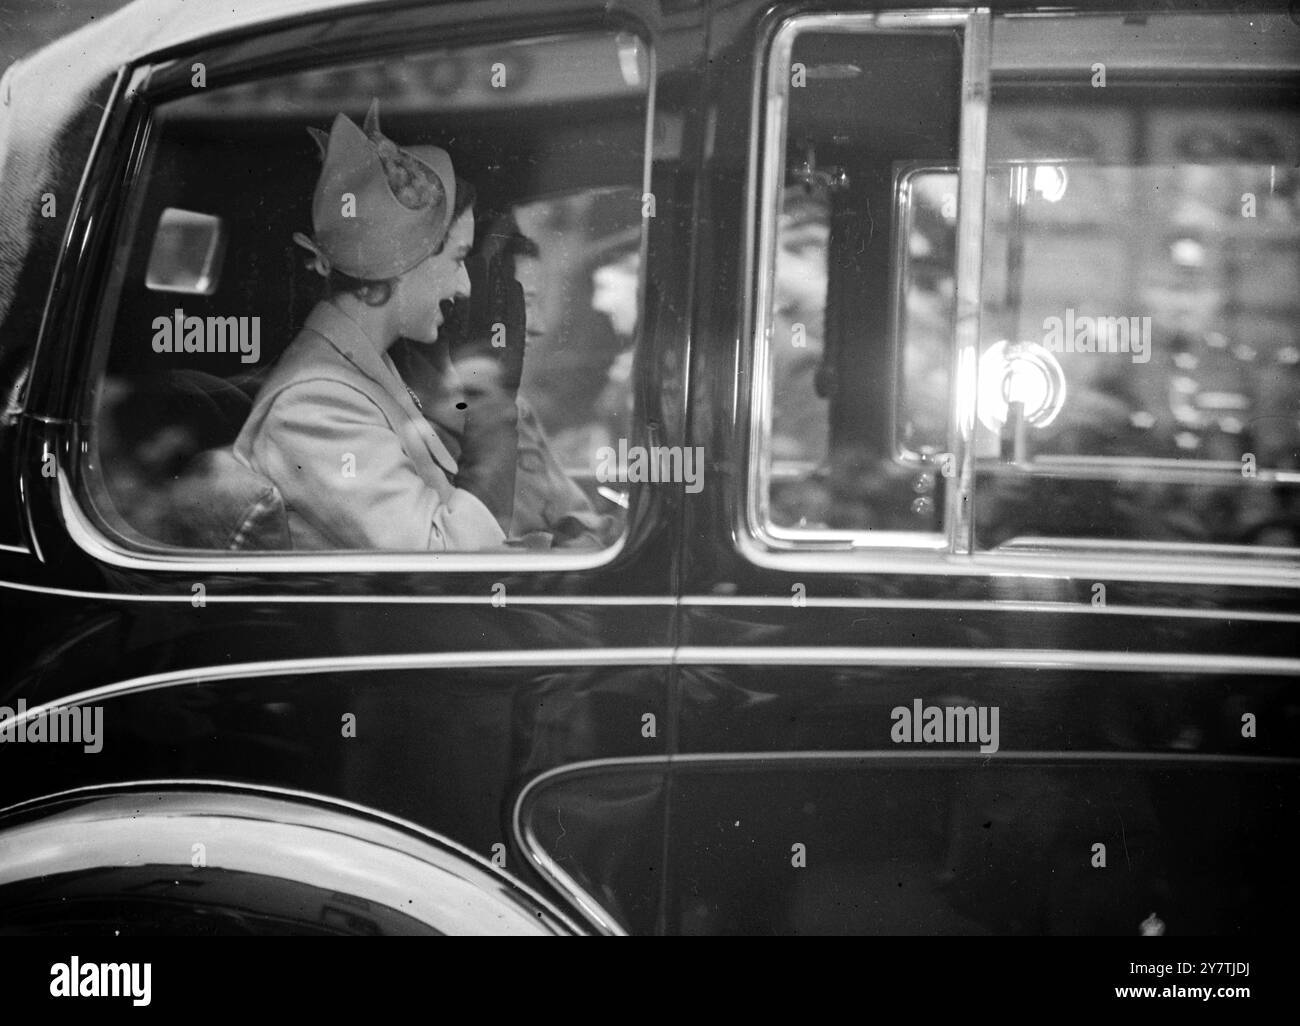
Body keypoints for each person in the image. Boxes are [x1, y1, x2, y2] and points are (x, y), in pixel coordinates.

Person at [233, 101, 506, 550]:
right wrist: (495, 430)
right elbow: (437, 566)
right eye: (457, 259)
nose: (464, 286)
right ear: (401, 263)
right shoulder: (315, 405)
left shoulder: (359, 369)